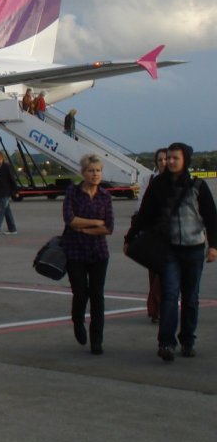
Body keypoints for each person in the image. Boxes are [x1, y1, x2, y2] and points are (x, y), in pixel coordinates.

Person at [125, 143, 217, 362]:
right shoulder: (158, 185)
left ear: (185, 160)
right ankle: (166, 342)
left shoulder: (198, 186)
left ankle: (187, 340)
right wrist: (130, 237)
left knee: (191, 298)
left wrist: (213, 246)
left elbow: (211, 217)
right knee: (169, 295)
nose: (170, 162)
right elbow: (145, 214)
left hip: (194, 248)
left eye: (175, 158)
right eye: (168, 158)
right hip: (169, 250)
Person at [61, 155, 114, 355]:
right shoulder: (73, 193)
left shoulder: (105, 196)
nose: (95, 174)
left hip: (99, 252)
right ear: (83, 173)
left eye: (98, 170)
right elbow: (70, 219)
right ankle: (78, 321)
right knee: (80, 293)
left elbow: (108, 227)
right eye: (91, 171)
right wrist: (96, 222)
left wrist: (86, 228)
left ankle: (97, 339)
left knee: (97, 296)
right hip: (75, 251)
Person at [141, 147, 168, 323]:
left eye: (167, 159)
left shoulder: (179, 182)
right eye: (160, 160)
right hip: (153, 235)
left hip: (171, 237)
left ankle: (158, 307)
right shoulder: (149, 180)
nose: (164, 163)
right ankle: (156, 308)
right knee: (154, 274)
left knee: (166, 274)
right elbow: (140, 208)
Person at [0, 150, 18, 235]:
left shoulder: (6, 167)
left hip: (5, 192)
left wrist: (16, 191)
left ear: (1, 158)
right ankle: (12, 229)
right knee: (7, 211)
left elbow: (12, 179)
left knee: (1, 210)